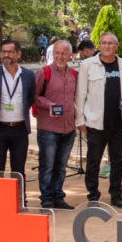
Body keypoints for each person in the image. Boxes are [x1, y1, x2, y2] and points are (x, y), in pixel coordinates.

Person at [75, 33, 122, 208]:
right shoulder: (87, 65)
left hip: (120, 122)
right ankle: (93, 195)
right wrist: (80, 119)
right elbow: (80, 94)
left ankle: (116, 195)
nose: (108, 46)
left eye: (111, 43)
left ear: (117, 46)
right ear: (99, 45)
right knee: (93, 161)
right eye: (104, 43)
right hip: (95, 122)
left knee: (117, 161)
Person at [0, 39, 36, 188]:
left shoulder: (28, 75)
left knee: (19, 171)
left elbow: (31, 98)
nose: (6, 55)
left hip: (20, 130)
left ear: (18, 54)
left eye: (10, 52)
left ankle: (20, 203)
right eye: (3, 52)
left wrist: (18, 112)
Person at [34, 40, 78, 209]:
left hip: (68, 127)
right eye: (57, 53)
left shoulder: (73, 74)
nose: (60, 56)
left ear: (70, 55)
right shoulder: (43, 73)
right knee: (47, 166)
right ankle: (46, 199)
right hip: (49, 128)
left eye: (64, 53)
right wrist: (49, 105)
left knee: (61, 166)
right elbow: (34, 96)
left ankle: (58, 197)